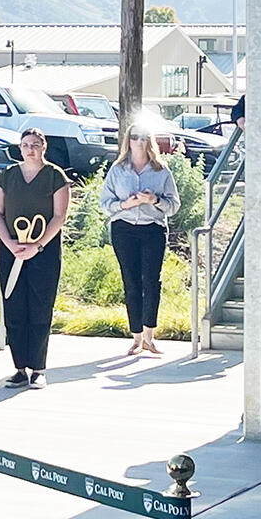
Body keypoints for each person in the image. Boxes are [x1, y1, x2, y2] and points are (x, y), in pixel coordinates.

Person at [0, 128, 70, 389]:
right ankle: (19, 368)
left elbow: (59, 216)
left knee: (39, 307)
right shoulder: (8, 176)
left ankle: (38, 368)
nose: (30, 149)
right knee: (14, 307)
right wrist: (10, 243)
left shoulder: (54, 176)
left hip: (42, 251)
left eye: (35, 144)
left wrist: (37, 245)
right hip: (11, 250)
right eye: (25, 145)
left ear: (43, 147)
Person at [100, 123, 181, 355]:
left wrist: (154, 200)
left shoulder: (161, 170)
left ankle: (149, 335)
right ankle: (136, 337)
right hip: (124, 229)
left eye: (144, 137)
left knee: (151, 281)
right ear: (128, 140)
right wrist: (127, 204)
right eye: (135, 137)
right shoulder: (118, 169)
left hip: (152, 229)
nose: (139, 141)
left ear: (150, 141)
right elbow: (106, 204)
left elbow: (174, 205)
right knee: (131, 281)